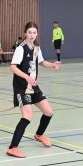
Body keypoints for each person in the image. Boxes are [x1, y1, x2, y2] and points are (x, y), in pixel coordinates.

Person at [7, 22, 59, 158]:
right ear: (25, 33)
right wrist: (26, 77)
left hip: (33, 86)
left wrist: (52, 64)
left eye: (34, 32)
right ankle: (12, 148)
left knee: (48, 112)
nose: (32, 35)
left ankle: (39, 134)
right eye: (29, 32)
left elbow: (41, 62)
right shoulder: (20, 48)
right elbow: (12, 67)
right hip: (21, 87)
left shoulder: (36, 48)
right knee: (27, 116)